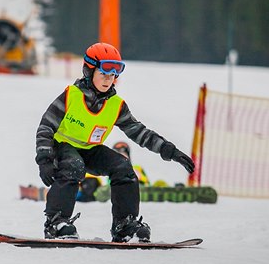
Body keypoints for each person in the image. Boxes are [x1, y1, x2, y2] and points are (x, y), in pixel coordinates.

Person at [35, 42, 194, 242]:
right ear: (88, 71)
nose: (108, 80)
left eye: (112, 76)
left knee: (123, 167)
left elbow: (140, 133)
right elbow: (45, 127)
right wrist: (44, 158)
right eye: (103, 74)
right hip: (61, 146)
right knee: (73, 166)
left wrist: (170, 151)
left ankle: (124, 225)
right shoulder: (71, 96)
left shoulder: (115, 105)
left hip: (90, 149)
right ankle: (56, 223)